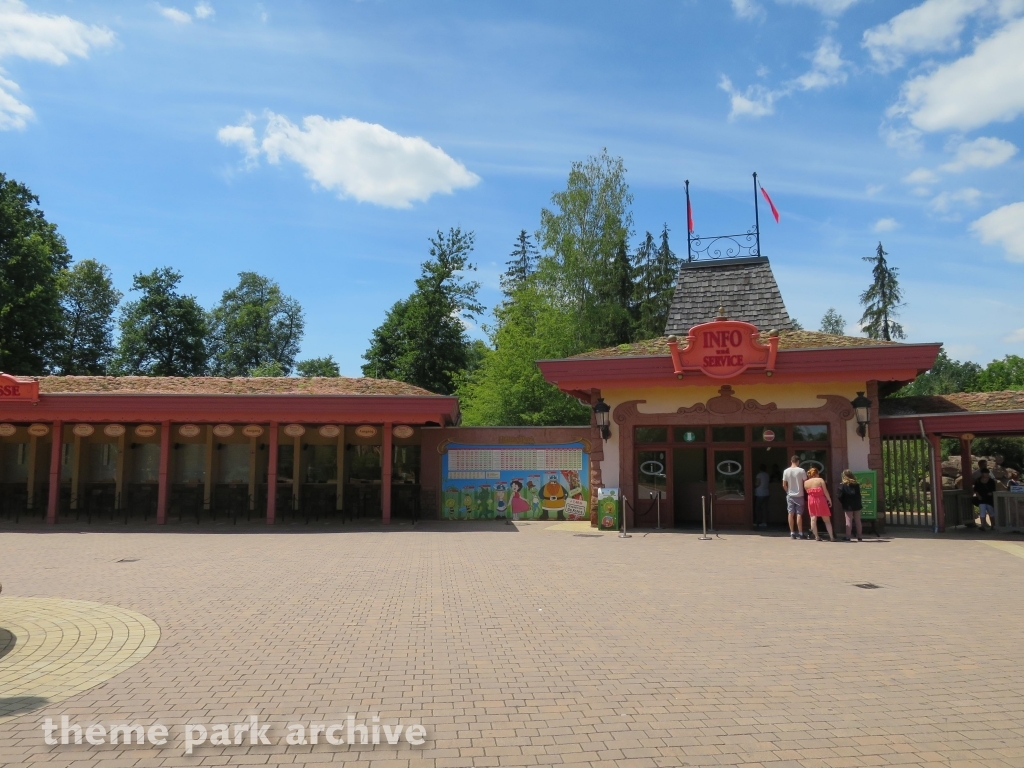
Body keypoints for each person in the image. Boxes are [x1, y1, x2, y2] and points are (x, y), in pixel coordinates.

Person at [804, 468, 835, 541]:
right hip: (821, 500)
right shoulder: (820, 480)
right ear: (817, 473)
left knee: (813, 519)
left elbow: (807, 492)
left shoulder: (806, 482)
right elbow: (825, 491)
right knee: (827, 520)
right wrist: (829, 499)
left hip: (811, 500)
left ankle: (816, 536)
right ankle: (831, 537)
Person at [782, 455, 808, 539]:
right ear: (798, 461)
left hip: (790, 495)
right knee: (799, 514)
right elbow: (805, 483)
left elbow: (784, 484)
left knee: (790, 513)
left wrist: (787, 492)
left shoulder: (786, 471)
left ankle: (792, 532)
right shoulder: (801, 471)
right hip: (799, 494)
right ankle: (800, 533)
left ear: (791, 461)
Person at [837, 469, 863, 542]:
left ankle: (848, 537)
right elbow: (859, 495)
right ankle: (860, 536)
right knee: (858, 520)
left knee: (848, 521)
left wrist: (843, 502)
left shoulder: (842, 485)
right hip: (857, 504)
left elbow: (839, 496)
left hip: (848, 505)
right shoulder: (856, 484)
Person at [754, 463, 770, 529]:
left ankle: (757, 522)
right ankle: (764, 522)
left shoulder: (759, 475)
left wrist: (753, 486)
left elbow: (757, 483)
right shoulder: (767, 475)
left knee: (757, 508)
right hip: (766, 493)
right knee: (764, 508)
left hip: (759, 493)